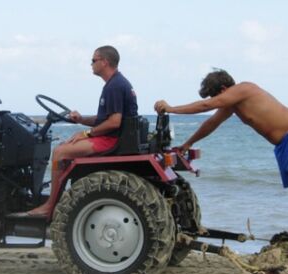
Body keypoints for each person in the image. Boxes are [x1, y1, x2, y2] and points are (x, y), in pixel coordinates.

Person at [23, 45, 138, 217]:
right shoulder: (117, 83)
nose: (91, 64)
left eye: (93, 60)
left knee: (60, 152)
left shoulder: (113, 86)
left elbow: (114, 122)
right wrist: (82, 120)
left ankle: (49, 206)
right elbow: (104, 119)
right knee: (65, 145)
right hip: (113, 137)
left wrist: (86, 134)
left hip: (110, 140)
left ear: (105, 62)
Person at [154, 69, 288, 188]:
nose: (216, 101)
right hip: (282, 145)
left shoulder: (243, 89)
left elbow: (205, 105)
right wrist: (189, 143)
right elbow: (211, 123)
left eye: (215, 97)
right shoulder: (233, 104)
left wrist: (171, 108)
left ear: (224, 89)